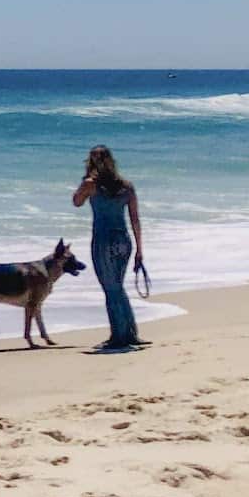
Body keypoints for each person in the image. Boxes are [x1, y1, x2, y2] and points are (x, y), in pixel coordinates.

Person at [72, 145, 145, 351]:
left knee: (111, 288)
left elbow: (76, 202)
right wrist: (140, 249)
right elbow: (135, 220)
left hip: (104, 240)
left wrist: (86, 179)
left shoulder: (90, 184)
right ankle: (130, 333)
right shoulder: (126, 186)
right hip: (123, 240)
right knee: (118, 287)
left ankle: (118, 336)